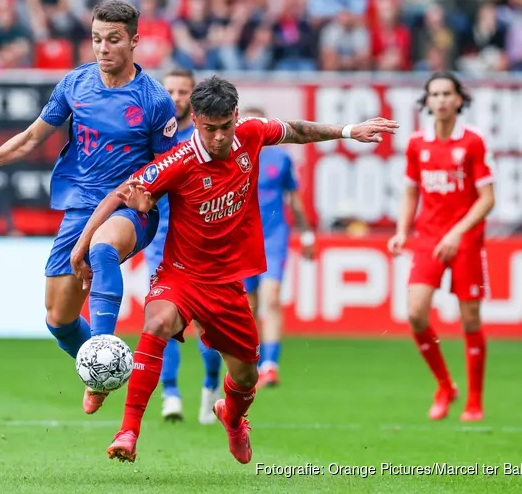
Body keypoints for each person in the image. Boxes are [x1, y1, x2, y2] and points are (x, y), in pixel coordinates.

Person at [71, 76, 398, 463]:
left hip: (227, 283)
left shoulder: (250, 133)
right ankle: (129, 431)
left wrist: (348, 131)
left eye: (226, 127)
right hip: (181, 275)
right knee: (156, 322)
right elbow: (119, 195)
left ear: (236, 116)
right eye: (210, 129)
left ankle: (232, 416)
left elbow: (295, 130)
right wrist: (82, 246)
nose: (220, 137)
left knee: (245, 378)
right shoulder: (177, 162)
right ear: (196, 119)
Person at [0, 0, 179, 414]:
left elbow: (168, 166)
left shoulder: (155, 100)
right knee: (58, 319)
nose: (103, 48)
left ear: (135, 41)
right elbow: (33, 136)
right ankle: (99, 371)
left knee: (101, 248)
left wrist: (148, 196)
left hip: (130, 207)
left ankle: (103, 348)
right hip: (80, 205)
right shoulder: (75, 84)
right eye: (97, 39)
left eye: (114, 40)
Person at [388, 71, 495, 422]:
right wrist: (402, 230)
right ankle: (445, 385)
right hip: (429, 237)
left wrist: (457, 232)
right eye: (435, 94)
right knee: (416, 313)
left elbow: (487, 199)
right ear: (427, 101)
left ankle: (474, 401)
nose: (442, 99)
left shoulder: (473, 142)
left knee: (469, 318)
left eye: (448, 93)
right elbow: (410, 191)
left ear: (459, 99)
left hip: (465, 239)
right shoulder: (417, 143)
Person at [147, 68, 223, 425]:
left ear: (193, 98)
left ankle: (210, 388)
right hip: (161, 243)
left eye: (182, 92)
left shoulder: (208, 139)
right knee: (161, 322)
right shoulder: (152, 138)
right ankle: (171, 393)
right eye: (170, 91)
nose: (175, 98)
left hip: (203, 248)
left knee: (208, 330)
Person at [239, 106, 315, 389]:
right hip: (241, 239)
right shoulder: (233, 157)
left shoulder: (280, 158)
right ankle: (252, 363)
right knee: (249, 304)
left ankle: (270, 365)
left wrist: (306, 235)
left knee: (271, 298)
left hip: (273, 237)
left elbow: (294, 198)